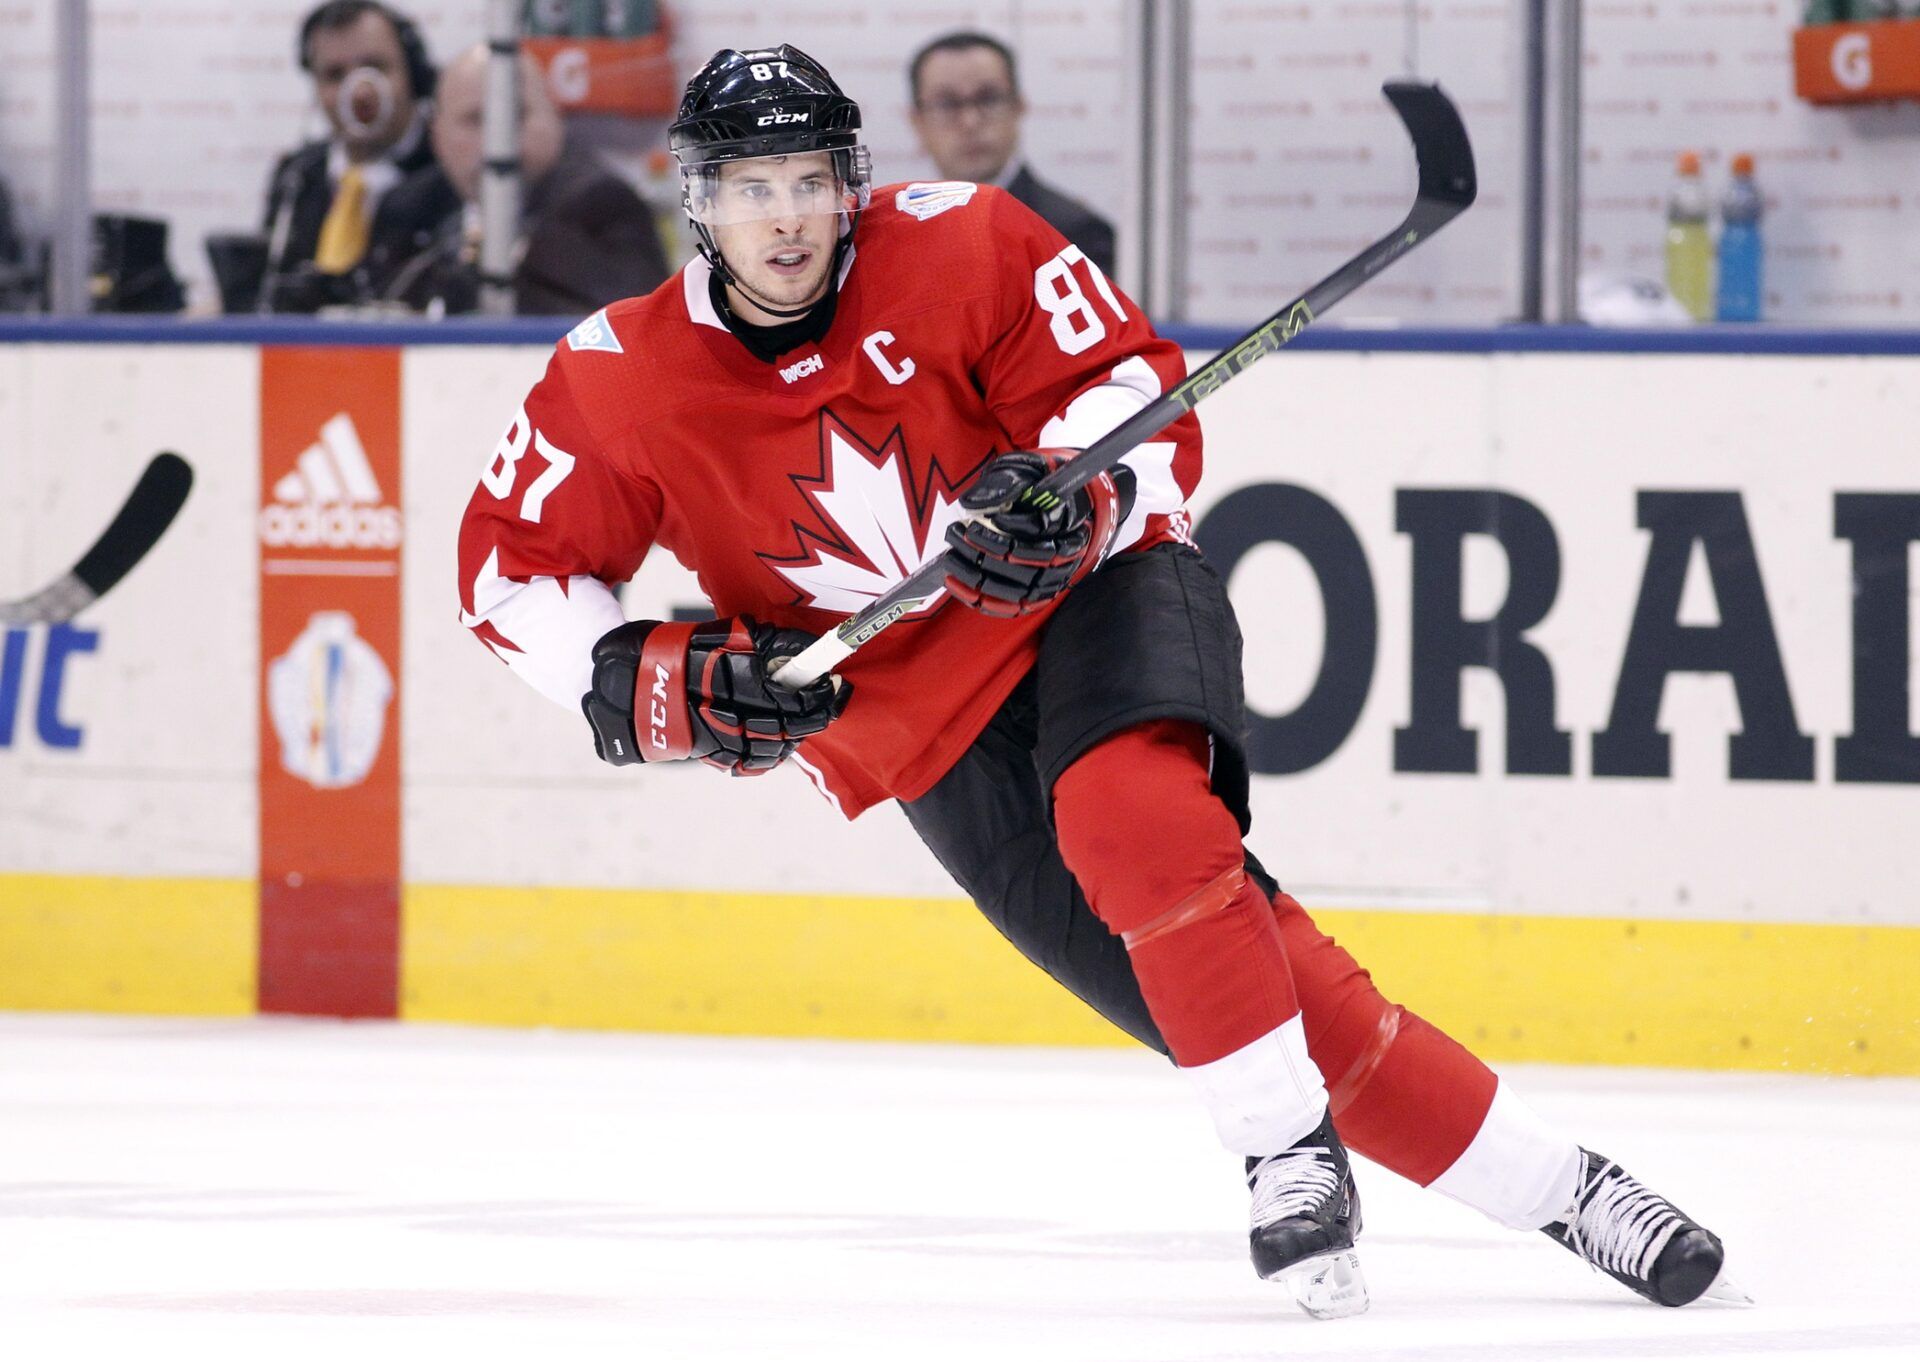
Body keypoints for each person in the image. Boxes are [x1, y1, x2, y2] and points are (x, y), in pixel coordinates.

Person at [457, 45, 1743, 1319]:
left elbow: (1132, 394)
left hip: (1095, 596)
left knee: (1137, 826)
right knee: (1260, 1005)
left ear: (850, 182)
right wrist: (657, 678)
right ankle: (1575, 1193)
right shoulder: (616, 379)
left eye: (806, 180)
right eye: (750, 187)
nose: (784, 217)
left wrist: (1075, 492)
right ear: (699, 202)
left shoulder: (968, 240)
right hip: (921, 735)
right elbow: (506, 576)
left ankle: (1283, 1157)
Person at [372, 45, 670, 317]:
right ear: (437, 135)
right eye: (476, 120)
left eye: (516, 115)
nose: (498, 142)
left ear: (555, 115)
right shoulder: (407, 209)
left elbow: (635, 328)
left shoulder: (603, 205)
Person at [259, 0, 444, 312]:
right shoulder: (298, 176)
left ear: (413, 72)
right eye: (335, 75)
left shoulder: (449, 170)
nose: (358, 91)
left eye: (375, 68)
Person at [908, 30, 1115, 279]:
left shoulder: (1075, 234)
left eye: (988, 99)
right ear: (916, 121)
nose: (970, 121)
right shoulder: (903, 238)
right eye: (946, 103)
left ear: (1019, 107)